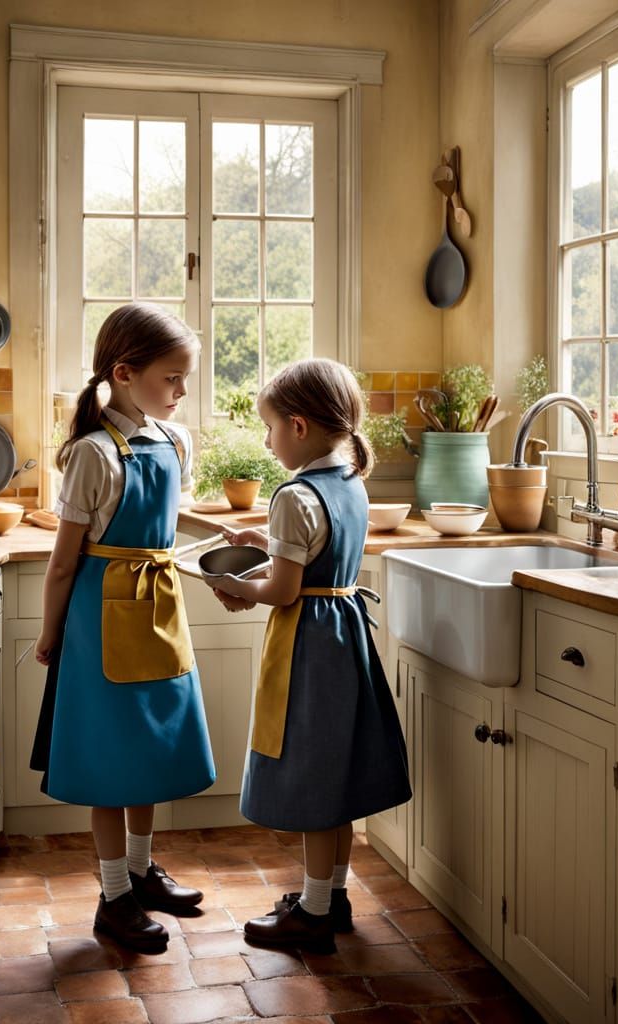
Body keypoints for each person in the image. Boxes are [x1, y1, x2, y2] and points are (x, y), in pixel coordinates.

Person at [205, 358, 411, 952]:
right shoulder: (349, 479)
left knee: (317, 784)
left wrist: (234, 585)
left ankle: (314, 917)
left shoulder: (295, 494)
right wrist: (262, 544)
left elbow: (284, 589)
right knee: (337, 776)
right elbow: (314, 561)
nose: (267, 442)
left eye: (269, 428)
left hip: (309, 649)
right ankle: (329, 895)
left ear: (298, 427)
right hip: (344, 634)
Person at [30, 303, 216, 953]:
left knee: (147, 749)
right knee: (110, 762)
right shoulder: (91, 454)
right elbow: (61, 565)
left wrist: (233, 541)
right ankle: (113, 897)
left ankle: (140, 872)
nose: (182, 392)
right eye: (172, 379)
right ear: (125, 373)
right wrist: (52, 634)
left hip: (157, 610)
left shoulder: (173, 440)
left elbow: (170, 527)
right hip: (98, 623)